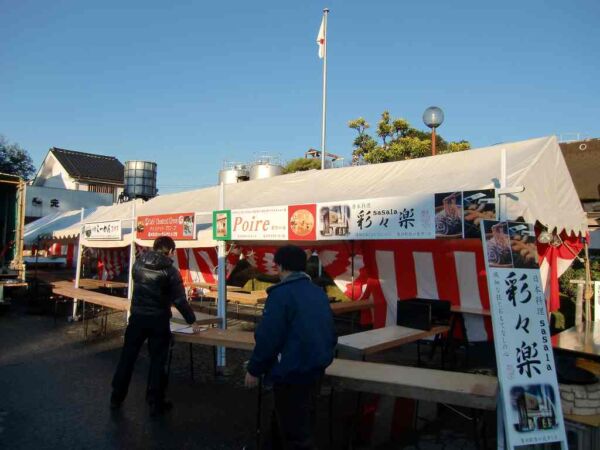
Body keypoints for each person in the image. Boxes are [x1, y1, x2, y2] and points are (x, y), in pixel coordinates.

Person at [245, 245, 337, 449]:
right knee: (297, 419)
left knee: (295, 430)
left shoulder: (281, 294)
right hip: (316, 366)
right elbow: (331, 331)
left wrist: (254, 369)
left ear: (279, 266)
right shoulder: (318, 293)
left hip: (292, 370)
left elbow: (269, 337)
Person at [111, 236, 199, 415]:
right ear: (171, 251)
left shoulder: (138, 265)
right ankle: (155, 401)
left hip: (137, 317)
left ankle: (116, 397)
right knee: (158, 361)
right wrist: (192, 320)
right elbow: (180, 300)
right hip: (158, 320)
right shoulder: (171, 271)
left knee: (128, 357)